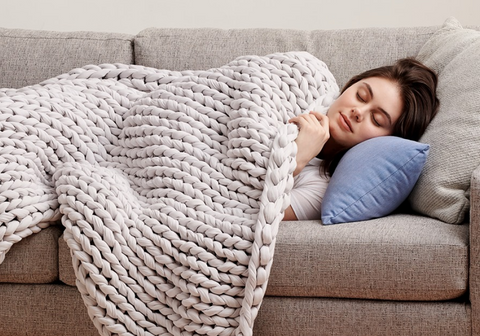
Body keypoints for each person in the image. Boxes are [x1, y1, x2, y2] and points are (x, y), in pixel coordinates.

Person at [284, 57, 440, 221]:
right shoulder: (300, 92)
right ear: (351, 85)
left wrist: (297, 159)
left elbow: (259, 214)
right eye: (361, 96)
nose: (358, 112)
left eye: (376, 119)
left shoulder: (319, 189)